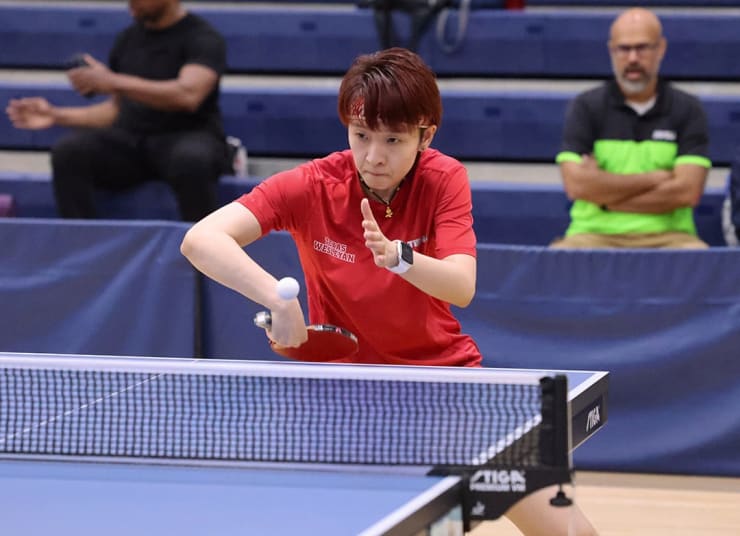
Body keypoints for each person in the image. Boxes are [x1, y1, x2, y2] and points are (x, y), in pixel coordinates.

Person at [181, 47, 597, 536]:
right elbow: (201, 239)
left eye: (394, 139)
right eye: (361, 136)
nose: (374, 156)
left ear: (426, 135)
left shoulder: (444, 179)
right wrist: (277, 297)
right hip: (346, 405)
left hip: (447, 389)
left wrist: (400, 258)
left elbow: (462, 286)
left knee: (570, 532)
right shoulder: (312, 185)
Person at [5, 0, 228, 221]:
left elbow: (188, 95)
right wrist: (55, 115)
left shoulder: (202, 37)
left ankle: (203, 248)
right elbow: (115, 110)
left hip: (188, 134)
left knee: (190, 160)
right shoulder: (128, 39)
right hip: (133, 140)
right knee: (70, 152)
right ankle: (83, 247)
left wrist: (113, 81)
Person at [551, 8, 711, 249]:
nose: (633, 58)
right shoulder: (585, 106)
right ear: (611, 51)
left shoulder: (688, 108)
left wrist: (605, 199)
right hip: (592, 235)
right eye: (624, 49)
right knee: (558, 258)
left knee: (700, 257)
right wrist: (655, 178)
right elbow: (577, 186)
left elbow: (686, 192)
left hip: (671, 237)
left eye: (642, 47)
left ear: (661, 49)